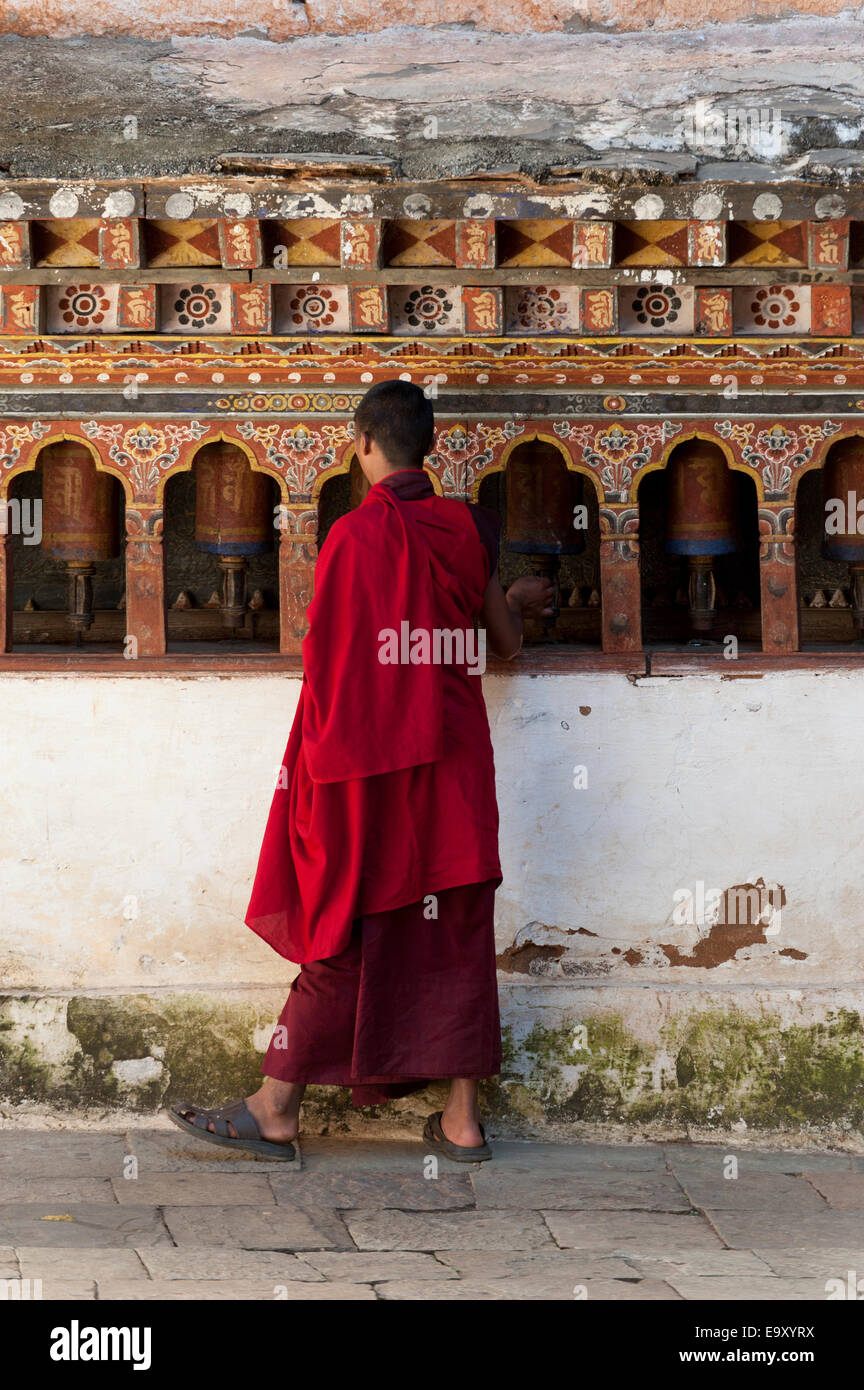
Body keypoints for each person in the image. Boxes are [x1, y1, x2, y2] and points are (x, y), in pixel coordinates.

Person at [168, 380, 554, 1162]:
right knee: (459, 931)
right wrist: (509, 598)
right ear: (431, 448)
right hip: (452, 767)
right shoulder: (466, 528)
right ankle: (460, 1123)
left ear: (362, 444)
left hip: (372, 769)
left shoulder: (351, 537)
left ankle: (276, 1108)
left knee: (350, 927)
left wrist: (319, 771)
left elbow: (333, 665)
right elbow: (501, 643)